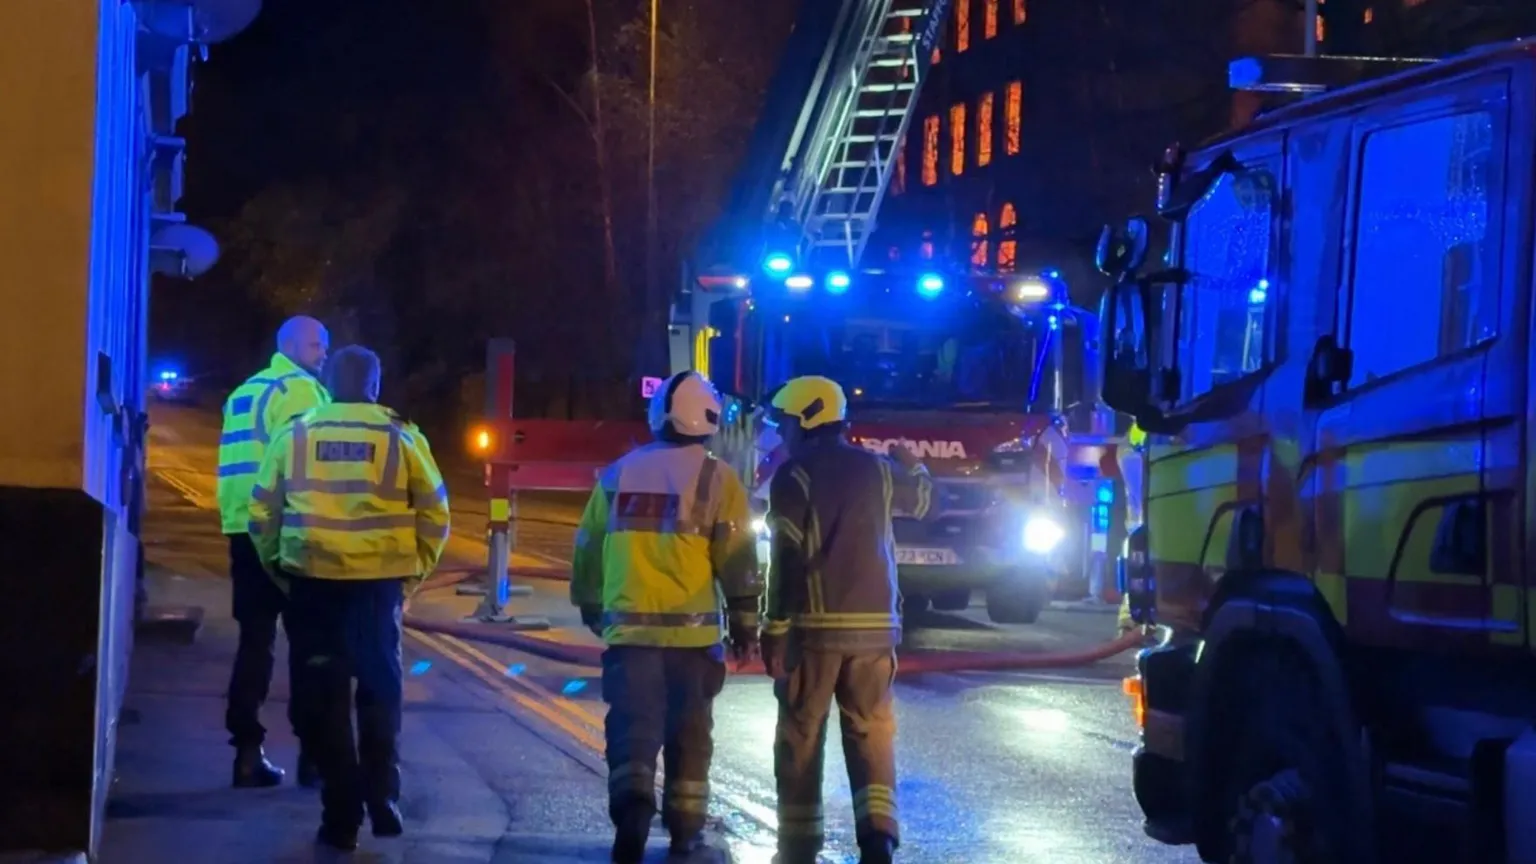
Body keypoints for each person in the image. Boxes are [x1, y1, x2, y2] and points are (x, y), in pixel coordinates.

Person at [247, 345, 450, 851]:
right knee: (379, 693)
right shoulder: (401, 435)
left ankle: (341, 816)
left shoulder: (294, 433)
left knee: (322, 702)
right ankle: (381, 792)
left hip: (312, 585)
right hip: (378, 592)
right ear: (375, 386)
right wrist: (411, 576)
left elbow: (261, 515)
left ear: (328, 383)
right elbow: (436, 515)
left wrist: (280, 572)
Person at [569, 370, 760, 863]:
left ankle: (632, 813)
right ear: (710, 420)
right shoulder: (718, 478)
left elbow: (588, 543)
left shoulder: (620, 472)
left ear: (659, 416)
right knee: (689, 736)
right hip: (693, 644)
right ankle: (685, 831)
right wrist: (745, 623)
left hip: (630, 634)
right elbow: (738, 558)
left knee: (633, 730)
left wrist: (590, 601)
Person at [759, 375, 933, 864]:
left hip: (815, 632)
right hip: (876, 633)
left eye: (786, 423)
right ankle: (878, 839)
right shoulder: (878, 471)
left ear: (807, 419)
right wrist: (914, 467)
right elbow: (921, 502)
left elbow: (786, 561)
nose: (782, 433)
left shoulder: (794, 476)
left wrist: (774, 630)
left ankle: (798, 846)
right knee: (871, 733)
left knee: (800, 735)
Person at [215, 315, 330, 787]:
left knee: (255, 644)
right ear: (291, 346)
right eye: (316, 344)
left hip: (242, 527)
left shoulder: (244, 391)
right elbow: (306, 464)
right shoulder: (300, 391)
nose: (324, 353)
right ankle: (314, 756)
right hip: (284, 531)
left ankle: (246, 752)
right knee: (310, 646)